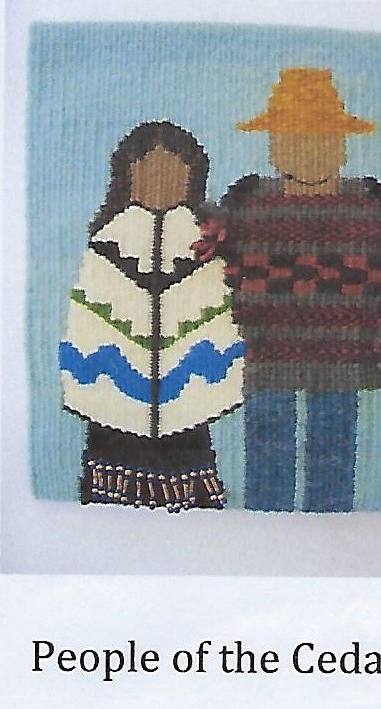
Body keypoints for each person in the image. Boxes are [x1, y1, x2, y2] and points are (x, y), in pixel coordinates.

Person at [207, 68, 381, 513]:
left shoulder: (371, 206)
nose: (308, 154)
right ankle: (270, 521)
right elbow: (217, 270)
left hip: (344, 356)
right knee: (268, 458)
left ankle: (326, 523)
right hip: (265, 356)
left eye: (323, 141)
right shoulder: (247, 205)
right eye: (292, 141)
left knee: (334, 454)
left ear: (343, 147)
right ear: (274, 147)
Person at [59, 121, 244, 512]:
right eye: (147, 169)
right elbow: (88, 320)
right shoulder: (107, 243)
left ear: (192, 178)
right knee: (112, 464)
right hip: (113, 397)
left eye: (175, 170)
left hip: (188, 398)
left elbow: (220, 317)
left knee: (188, 458)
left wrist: (211, 372)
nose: (161, 181)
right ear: (128, 176)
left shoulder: (205, 246)